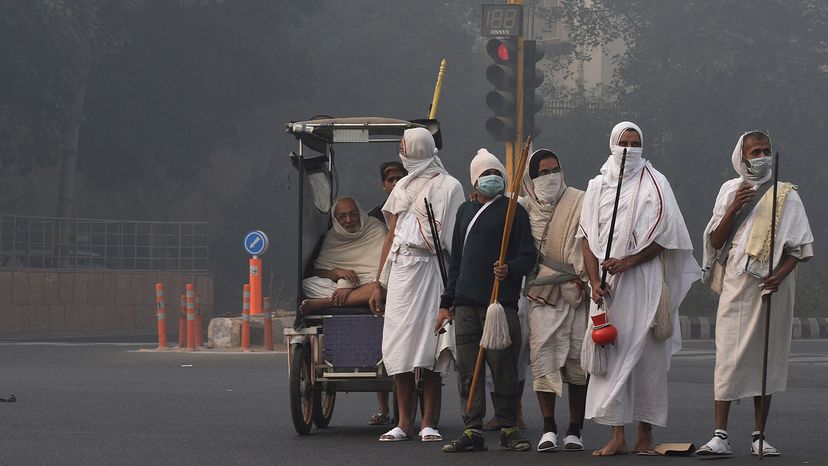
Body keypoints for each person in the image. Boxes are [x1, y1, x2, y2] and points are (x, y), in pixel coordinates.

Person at [577, 121, 700, 456]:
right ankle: (617, 435)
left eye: (635, 143)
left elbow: (667, 235)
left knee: (647, 359)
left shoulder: (656, 184)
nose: (629, 149)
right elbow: (586, 239)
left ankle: (645, 435)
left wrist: (628, 261)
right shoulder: (597, 185)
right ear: (613, 145)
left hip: (643, 281)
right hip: (607, 288)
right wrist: (593, 282)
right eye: (624, 142)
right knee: (611, 354)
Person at [696, 131, 813, 457]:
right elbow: (716, 242)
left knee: (767, 359)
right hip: (736, 284)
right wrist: (735, 206)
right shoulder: (728, 190)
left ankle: (759, 435)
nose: (761, 156)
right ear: (742, 157)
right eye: (755, 151)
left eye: (765, 150)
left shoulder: (786, 195)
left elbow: (798, 249)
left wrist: (778, 276)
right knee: (727, 358)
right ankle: (720, 435)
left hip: (772, 288)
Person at [369, 127, 465, 442]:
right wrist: (379, 282)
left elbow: (453, 237)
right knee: (399, 350)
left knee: (431, 350)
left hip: (432, 272)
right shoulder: (402, 187)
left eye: (404, 146)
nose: (401, 151)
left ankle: (428, 423)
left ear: (418, 148)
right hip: (400, 274)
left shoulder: (450, 186)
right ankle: (403, 423)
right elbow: (392, 234)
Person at [438, 149, 536, 453]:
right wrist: (447, 301)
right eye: (485, 174)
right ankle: (472, 430)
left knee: (503, 366)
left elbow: (528, 256)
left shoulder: (513, 211)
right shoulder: (465, 212)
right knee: (469, 368)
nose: (492, 178)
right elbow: (456, 262)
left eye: (496, 173)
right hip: (466, 303)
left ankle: (508, 427)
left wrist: (510, 268)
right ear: (474, 180)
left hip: (499, 304)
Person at [520, 149, 589, 452]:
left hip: (576, 291)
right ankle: (549, 427)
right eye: (542, 173)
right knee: (543, 358)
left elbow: (592, 242)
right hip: (542, 294)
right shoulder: (522, 209)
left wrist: (591, 279)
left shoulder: (580, 201)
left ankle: (575, 429)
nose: (550, 177)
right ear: (531, 179)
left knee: (577, 363)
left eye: (554, 170)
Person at [364, 160, 407, 424]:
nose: (394, 183)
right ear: (383, 185)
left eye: (399, 178)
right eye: (390, 179)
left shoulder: (413, 209)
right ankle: (384, 408)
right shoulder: (373, 217)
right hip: (376, 280)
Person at [300, 196, 387, 314]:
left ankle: (326, 302)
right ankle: (355, 298)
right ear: (335, 219)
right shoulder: (332, 237)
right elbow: (319, 271)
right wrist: (338, 273)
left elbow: (384, 270)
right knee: (307, 284)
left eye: (353, 214)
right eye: (342, 216)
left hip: (372, 283)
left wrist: (347, 286)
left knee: (382, 287)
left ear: (360, 213)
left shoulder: (377, 230)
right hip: (347, 286)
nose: (348, 220)